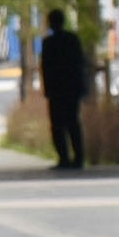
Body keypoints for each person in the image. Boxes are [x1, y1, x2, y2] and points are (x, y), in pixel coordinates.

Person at [39, 9, 86, 173]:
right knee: (73, 123)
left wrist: (46, 89)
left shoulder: (48, 43)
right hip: (72, 89)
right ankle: (78, 158)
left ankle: (64, 158)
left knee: (58, 125)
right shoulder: (73, 40)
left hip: (56, 91)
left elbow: (45, 68)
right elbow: (81, 64)